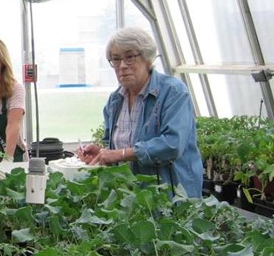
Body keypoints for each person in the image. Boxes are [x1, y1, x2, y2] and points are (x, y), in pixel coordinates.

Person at [77, 26, 203, 198]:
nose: (121, 66)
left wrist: (120, 154)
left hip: (171, 196)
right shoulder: (115, 101)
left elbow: (172, 145)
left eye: (129, 57)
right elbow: (117, 148)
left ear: (147, 58)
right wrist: (101, 153)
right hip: (131, 196)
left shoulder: (173, 92)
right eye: (115, 59)